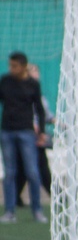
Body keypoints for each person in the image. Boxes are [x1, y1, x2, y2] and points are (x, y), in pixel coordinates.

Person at [0, 51, 47, 223]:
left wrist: (41, 132)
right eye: (10, 65)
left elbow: (39, 109)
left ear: (23, 66)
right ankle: (10, 211)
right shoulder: (5, 81)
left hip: (26, 132)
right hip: (7, 132)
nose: (11, 69)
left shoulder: (33, 84)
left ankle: (37, 210)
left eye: (15, 66)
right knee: (10, 173)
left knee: (32, 172)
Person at [13, 62, 52, 210]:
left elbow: (45, 114)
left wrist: (58, 122)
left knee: (26, 168)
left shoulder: (40, 95)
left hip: (37, 136)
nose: (35, 75)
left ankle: (16, 197)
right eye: (32, 72)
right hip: (28, 135)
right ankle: (56, 195)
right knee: (40, 168)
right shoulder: (24, 93)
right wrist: (32, 126)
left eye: (37, 72)